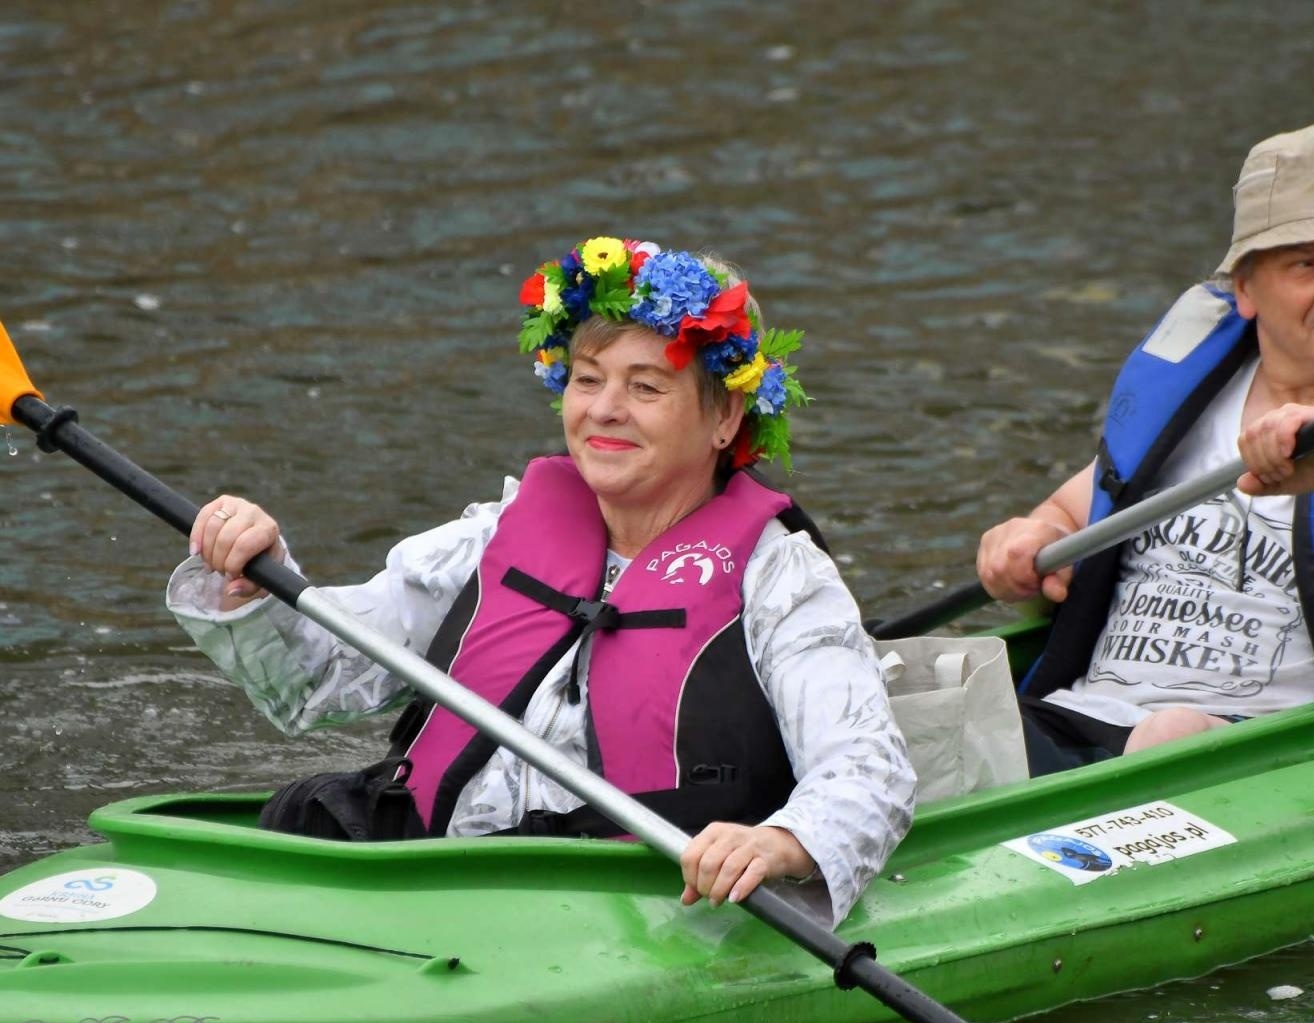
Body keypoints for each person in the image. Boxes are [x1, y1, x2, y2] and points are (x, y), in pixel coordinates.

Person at [167, 237, 916, 928]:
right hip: (430, 868)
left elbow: (866, 770)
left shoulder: (781, 577)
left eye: (646, 387)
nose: (605, 410)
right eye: (588, 380)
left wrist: (782, 842)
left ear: (725, 417)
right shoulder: (496, 534)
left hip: (626, 901)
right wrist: (258, 580)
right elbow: (319, 680)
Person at [977, 123, 1314, 766]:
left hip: (1271, 751)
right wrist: (1023, 543)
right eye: (1308, 264)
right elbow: (1068, 518)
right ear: (1244, 287)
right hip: (1078, 720)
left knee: (1172, 734)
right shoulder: (1189, 398)